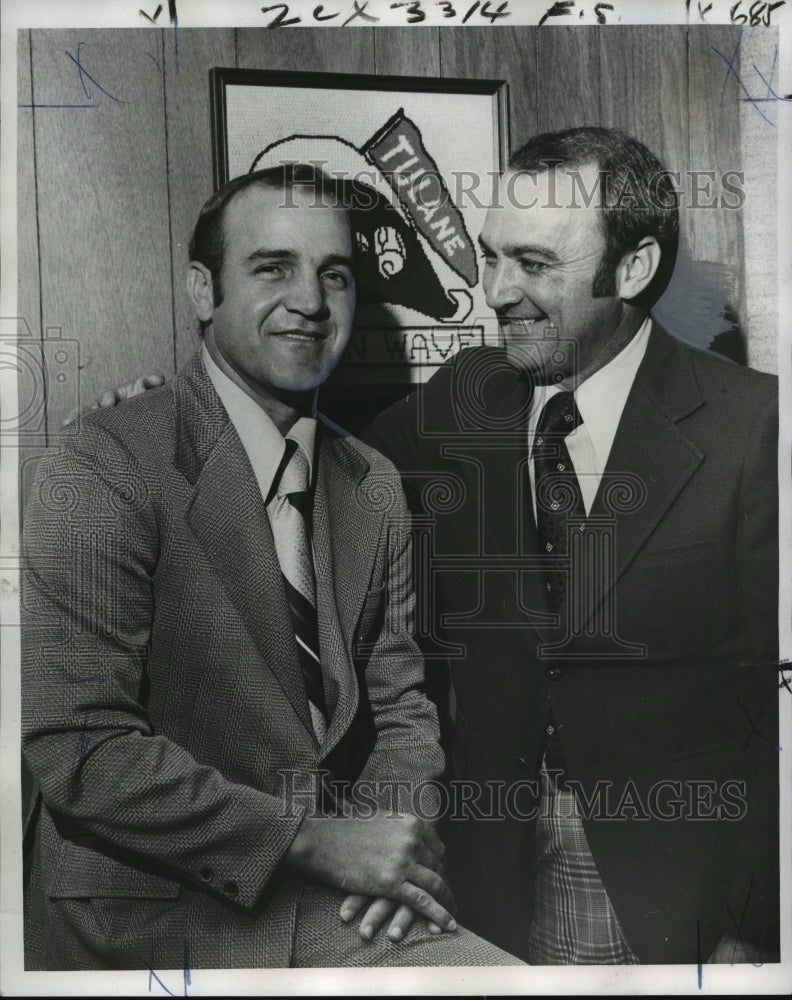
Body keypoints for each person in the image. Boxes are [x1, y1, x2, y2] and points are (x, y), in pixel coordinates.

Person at [86, 128, 780, 966]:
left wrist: (757, 920)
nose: (496, 293)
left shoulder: (757, 428)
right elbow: (315, 469)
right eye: (491, 258)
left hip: (683, 885)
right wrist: (174, 421)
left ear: (632, 269)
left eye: (534, 265)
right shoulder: (469, 395)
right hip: (491, 870)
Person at [20, 164, 521, 970]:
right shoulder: (103, 463)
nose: (312, 301)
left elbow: (403, 709)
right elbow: (79, 746)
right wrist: (316, 842)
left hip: (335, 903)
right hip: (151, 920)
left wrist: (382, 859)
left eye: (334, 274)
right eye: (272, 267)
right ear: (201, 290)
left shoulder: (373, 483)